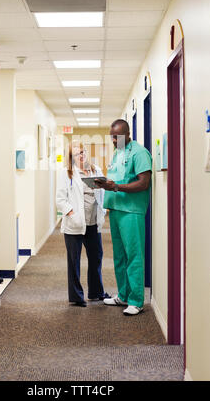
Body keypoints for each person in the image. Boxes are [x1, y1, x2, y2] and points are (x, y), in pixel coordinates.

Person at [95, 119, 152, 316]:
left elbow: (144, 183)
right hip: (116, 209)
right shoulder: (118, 151)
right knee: (119, 257)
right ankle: (124, 295)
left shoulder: (139, 153)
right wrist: (105, 184)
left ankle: (136, 300)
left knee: (134, 256)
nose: (113, 140)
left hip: (132, 211)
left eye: (117, 137)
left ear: (128, 134)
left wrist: (116, 187)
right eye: (112, 137)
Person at [56, 141, 110, 307]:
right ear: (71, 157)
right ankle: (76, 297)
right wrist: (73, 215)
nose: (82, 155)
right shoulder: (67, 173)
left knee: (96, 258)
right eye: (77, 153)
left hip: (93, 222)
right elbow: (60, 200)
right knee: (74, 261)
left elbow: (102, 192)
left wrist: (104, 210)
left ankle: (96, 292)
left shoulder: (96, 170)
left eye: (83, 151)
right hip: (75, 225)